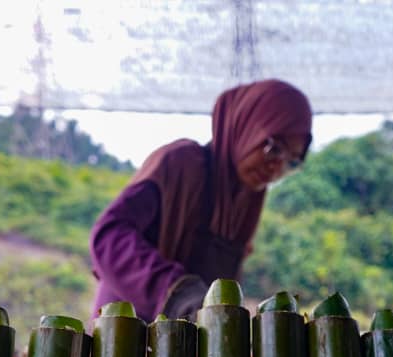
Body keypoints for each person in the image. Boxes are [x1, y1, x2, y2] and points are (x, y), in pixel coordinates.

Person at [89, 79, 313, 321]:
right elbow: (109, 236)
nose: (276, 167)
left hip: (188, 345)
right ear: (246, 126)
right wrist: (176, 292)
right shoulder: (180, 163)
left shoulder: (246, 203)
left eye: (291, 161)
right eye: (274, 148)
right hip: (126, 333)